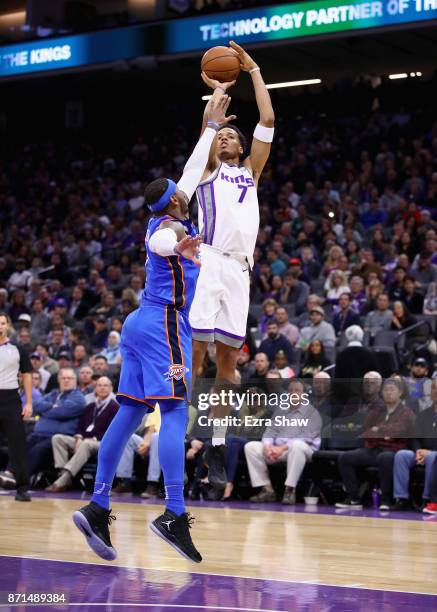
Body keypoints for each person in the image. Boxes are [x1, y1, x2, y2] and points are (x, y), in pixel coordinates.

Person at [72, 93, 233, 564]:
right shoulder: (166, 228)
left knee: (129, 414)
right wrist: (178, 246)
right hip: (163, 324)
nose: (187, 190)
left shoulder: (173, 208)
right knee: (175, 411)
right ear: (175, 203)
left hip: (140, 323)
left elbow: (189, 168)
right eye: (181, 193)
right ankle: (173, 513)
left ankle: (98, 504)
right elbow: (162, 240)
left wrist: (208, 126)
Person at [189, 41, 274, 495]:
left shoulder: (251, 173)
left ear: (241, 147)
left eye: (229, 137)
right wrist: (217, 96)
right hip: (208, 263)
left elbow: (267, 120)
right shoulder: (204, 172)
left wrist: (254, 70)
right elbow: (207, 131)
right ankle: (183, 433)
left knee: (227, 365)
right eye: (220, 136)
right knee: (195, 359)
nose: (224, 138)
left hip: (240, 271)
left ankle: (216, 446)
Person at [335, 379, 415, 511]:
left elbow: (399, 430)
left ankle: (386, 500)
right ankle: (354, 498)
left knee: (385, 458)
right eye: (386, 390)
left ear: (400, 393)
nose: (388, 393)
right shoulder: (377, 410)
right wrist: (381, 432)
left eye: (392, 390)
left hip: (394, 450)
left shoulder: (407, 412)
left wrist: (378, 429)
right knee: (345, 457)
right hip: (374, 448)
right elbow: (366, 429)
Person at [245, 379, 322, 504]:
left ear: (304, 395)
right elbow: (270, 432)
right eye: (290, 390)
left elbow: (305, 438)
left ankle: (290, 490)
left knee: (297, 446)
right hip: (278, 451)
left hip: (304, 451)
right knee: (251, 446)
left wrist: (281, 448)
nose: (293, 393)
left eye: (297, 390)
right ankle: (267, 489)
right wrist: (267, 446)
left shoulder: (312, 413)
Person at [46, 377, 118, 492]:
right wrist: (78, 437)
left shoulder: (115, 407)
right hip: (84, 440)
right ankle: (63, 476)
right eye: (99, 385)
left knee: (86, 444)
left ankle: (63, 480)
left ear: (111, 388)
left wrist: (89, 439)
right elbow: (80, 426)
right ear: (95, 388)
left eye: (105, 385)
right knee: (58, 438)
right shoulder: (90, 406)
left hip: (102, 442)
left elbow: (112, 431)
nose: (102, 388)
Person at [0, 312, 33, 501]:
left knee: (17, 445)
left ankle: (22, 488)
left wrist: (28, 402)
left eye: (3, 323)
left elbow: (27, 374)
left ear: (7, 326)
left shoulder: (17, 349)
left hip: (11, 398)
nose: (0, 326)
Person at [392, 378, 437, 511]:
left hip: (433, 454)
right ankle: (402, 498)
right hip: (421, 452)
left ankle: (427, 499)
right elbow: (414, 438)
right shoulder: (424, 414)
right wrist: (418, 451)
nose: (436, 391)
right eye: (434, 388)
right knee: (402, 455)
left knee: (432, 457)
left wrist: (429, 452)